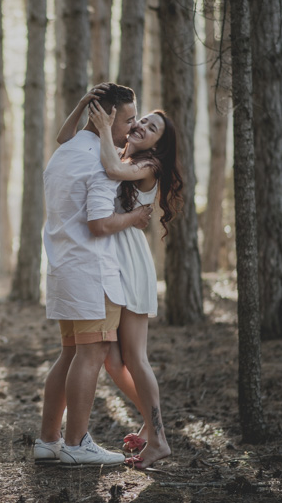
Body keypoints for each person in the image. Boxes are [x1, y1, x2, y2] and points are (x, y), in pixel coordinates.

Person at [33, 83, 152, 466]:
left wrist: (84, 106)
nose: (134, 127)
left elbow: (63, 133)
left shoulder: (64, 152)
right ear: (106, 117)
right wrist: (135, 217)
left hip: (64, 267)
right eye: (129, 119)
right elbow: (100, 223)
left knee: (69, 355)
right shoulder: (101, 163)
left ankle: (48, 441)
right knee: (92, 353)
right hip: (92, 270)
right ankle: (77, 443)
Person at [86, 97, 183, 470]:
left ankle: (158, 440)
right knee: (112, 359)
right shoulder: (131, 158)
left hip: (131, 264)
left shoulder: (148, 165)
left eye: (151, 127)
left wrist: (103, 127)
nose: (141, 125)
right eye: (141, 120)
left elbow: (110, 169)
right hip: (113, 261)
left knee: (134, 356)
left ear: (158, 143)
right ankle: (149, 422)